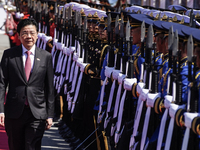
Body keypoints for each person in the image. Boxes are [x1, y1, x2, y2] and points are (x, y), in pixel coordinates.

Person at [0, 18, 54, 150]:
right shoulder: (9, 55)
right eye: (24, 33)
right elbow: (1, 84)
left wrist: (50, 114)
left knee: (32, 146)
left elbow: (50, 88)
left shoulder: (46, 56)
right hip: (14, 112)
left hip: (37, 112)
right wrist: (1, 110)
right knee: (15, 146)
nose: (28, 36)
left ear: (37, 34)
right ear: (19, 35)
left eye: (32, 33)